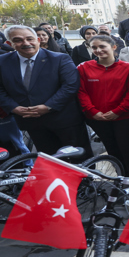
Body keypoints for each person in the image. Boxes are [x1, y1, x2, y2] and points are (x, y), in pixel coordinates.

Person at [0, 25, 92, 160]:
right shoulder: (3, 62)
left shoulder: (60, 59)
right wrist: (14, 108)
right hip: (32, 122)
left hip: (65, 120)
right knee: (49, 161)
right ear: (9, 43)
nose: (26, 43)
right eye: (18, 40)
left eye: (29, 39)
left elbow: (70, 86)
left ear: (38, 39)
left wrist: (48, 106)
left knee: (79, 162)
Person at [77, 35, 129, 177]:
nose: (98, 50)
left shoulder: (128, 68)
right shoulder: (84, 68)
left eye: (102, 46)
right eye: (94, 47)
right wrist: (92, 111)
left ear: (114, 47)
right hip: (97, 118)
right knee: (112, 149)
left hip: (124, 118)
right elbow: (81, 92)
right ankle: (121, 176)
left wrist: (118, 111)